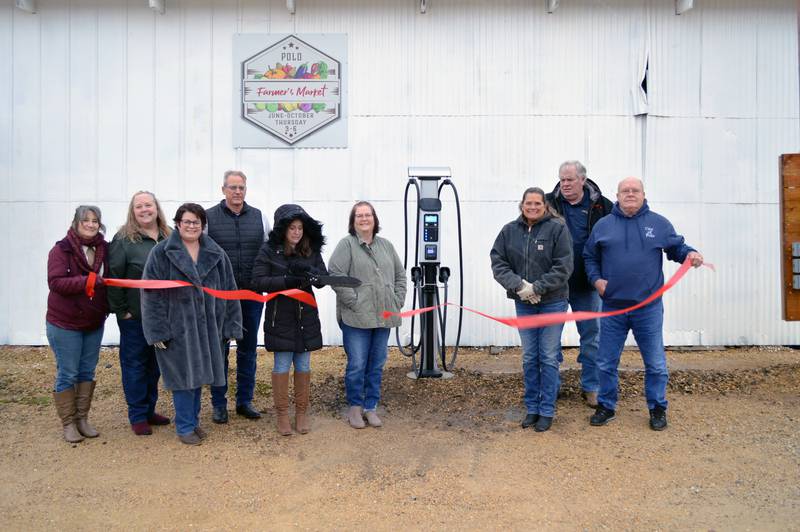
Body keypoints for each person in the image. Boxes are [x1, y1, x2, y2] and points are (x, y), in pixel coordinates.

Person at [583, 177, 704, 431]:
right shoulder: (604, 225)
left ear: (643, 194)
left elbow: (677, 248)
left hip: (647, 308)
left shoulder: (658, 224)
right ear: (616, 195)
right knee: (605, 362)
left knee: (656, 363)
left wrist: (690, 254)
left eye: (634, 190)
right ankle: (606, 405)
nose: (630, 194)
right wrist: (596, 280)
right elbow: (589, 257)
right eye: (625, 190)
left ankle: (657, 407)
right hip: (613, 308)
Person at [141, 203, 243, 445]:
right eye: (186, 221)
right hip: (177, 330)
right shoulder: (161, 253)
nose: (191, 226)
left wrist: (231, 325)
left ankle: (193, 422)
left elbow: (230, 289)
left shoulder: (216, 253)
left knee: (199, 376)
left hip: (209, 329)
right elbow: (149, 295)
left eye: (196, 222)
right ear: (177, 224)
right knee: (183, 378)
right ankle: (185, 426)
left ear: (203, 225)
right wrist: (157, 331)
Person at [490, 187, 573, 432]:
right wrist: (519, 286)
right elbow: (498, 262)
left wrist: (537, 287)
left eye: (538, 203)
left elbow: (564, 265)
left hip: (554, 302)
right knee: (529, 356)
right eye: (529, 203)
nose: (533, 207)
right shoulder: (509, 231)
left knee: (547, 356)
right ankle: (532, 408)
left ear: (545, 205)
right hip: (524, 303)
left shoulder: (558, 228)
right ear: (522, 205)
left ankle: (547, 409)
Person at [329, 201, 406, 429]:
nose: (364, 219)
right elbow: (335, 274)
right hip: (356, 318)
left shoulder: (386, 246)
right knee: (357, 364)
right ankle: (354, 407)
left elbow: (400, 276)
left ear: (375, 219)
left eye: (368, 215)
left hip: (383, 316)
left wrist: (397, 300)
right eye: (359, 216)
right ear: (353, 221)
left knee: (377, 363)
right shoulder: (347, 245)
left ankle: (370, 407)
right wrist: (353, 300)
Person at [250, 205, 327, 436]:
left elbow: (323, 278)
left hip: (306, 314)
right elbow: (258, 282)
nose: (296, 232)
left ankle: (301, 413)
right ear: (283, 229)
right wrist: (286, 280)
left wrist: (315, 275)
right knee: (282, 365)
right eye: (292, 228)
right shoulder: (268, 250)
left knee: (304, 365)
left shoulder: (311, 250)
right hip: (280, 315)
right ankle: (282, 414)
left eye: (300, 228)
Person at [545, 161, 613, 407]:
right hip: (554, 285)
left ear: (582, 180)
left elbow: (614, 241)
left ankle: (591, 387)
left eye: (570, 180)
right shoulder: (547, 203)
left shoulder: (603, 206)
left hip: (588, 283)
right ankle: (551, 387)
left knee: (592, 337)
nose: (565, 184)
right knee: (550, 338)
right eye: (562, 179)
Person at [205, 170, 269, 423]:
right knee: (220, 350)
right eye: (232, 187)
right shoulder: (208, 218)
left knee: (248, 349)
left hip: (252, 295)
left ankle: (245, 400)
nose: (237, 192)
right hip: (221, 297)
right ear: (223, 190)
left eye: (241, 187)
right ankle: (218, 404)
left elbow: (267, 251)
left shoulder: (260, 218)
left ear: (246, 189)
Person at [108, 191, 172, 436]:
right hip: (134, 318)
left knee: (155, 366)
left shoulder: (170, 236)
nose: (145, 210)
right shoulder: (124, 240)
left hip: (163, 317)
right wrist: (122, 312)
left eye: (148, 205)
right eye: (139, 206)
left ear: (156, 207)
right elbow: (114, 278)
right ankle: (137, 415)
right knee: (135, 365)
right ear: (132, 211)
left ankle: (149, 410)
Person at [46, 205, 110, 443]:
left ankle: (82, 418)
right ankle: (68, 423)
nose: (91, 225)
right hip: (64, 323)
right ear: (76, 222)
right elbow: (56, 282)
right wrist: (89, 281)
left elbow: (110, 279)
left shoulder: (104, 248)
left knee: (87, 370)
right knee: (68, 372)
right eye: (86, 220)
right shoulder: (61, 250)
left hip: (93, 321)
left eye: (95, 221)